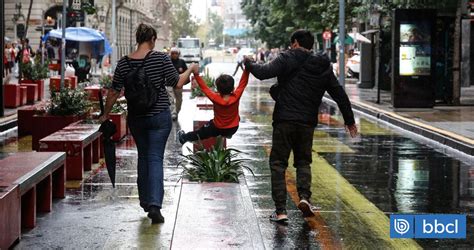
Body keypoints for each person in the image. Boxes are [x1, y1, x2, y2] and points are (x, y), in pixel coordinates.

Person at [243, 29, 358, 223]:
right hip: (306, 122)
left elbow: (263, 73)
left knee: (278, 164)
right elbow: (339, 93)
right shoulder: (323, 65)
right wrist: (349, 121)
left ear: (295, 43)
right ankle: (305, 198)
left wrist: (248, 63)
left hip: (285, 120)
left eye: (291, 44)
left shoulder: (287, 58)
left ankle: (280, 211)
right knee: (303, 162)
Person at [99, 23, 196, 224]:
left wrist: (105, 114)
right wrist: (192, 69)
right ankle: (154, 205)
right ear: (152, 39)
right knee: (154, 158)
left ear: (137, 38)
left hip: (137, 118)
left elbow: (114, 91)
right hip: (159, 116)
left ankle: (145, 201)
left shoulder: (124, 63)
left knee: (143, 156)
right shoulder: (160, 58)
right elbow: (177, 82)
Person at [177, 69, 250, 144]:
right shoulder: (236, 96)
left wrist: (196, 75)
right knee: (236, 117)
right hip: (233, 128)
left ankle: (184, 138)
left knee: (202, 132)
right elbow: (243, 83)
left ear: (218, 89)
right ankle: (228, 134)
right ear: (233, 88)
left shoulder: (214, 97)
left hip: (218, 128)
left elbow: (204, 87)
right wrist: (247, 69)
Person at [168, 47, 188, 120]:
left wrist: (185, 80)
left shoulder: (182, 62)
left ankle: (176, 112)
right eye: (172, 53)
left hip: (179, 84)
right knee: (171, 99)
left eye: (176, 53)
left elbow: (186, 72)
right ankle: (173, 113)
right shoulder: (168, 61)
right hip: (169, 83)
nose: (174, 55)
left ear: (178, 54)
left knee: (179, 100)